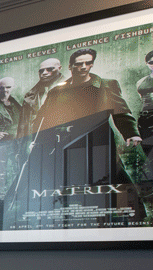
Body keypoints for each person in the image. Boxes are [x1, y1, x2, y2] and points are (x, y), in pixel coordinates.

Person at [35, 47, 150, 223]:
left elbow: (121, 112)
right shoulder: (57, 91)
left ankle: (134, 216)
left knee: (113, 177)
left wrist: (131, 133)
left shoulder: (107, 85)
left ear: (92, 64)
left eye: (88, 63)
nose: (83, 67)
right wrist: (41, 141)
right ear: (70, 66)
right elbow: (45, 120)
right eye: (79, 64)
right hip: (69, 143)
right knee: (73, 182)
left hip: (100, 140)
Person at [17, 58, 65, 140]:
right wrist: (20, 146)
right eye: (41, 71)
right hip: (35, 140)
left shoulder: (70, 88)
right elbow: (22, 127)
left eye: (49, 69)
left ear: (59, 68)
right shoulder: (30, 95)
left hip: (60, 139)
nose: (44, 73)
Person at [0, 77, 21, 144]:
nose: (5, 90)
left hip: (17, 141)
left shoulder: (18, 101)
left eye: (8, 87)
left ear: (13, 87)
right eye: (2, 88)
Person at [136, 49, 153, 144]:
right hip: (145, 120)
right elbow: (141, 99)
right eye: (151, 62)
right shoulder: (140, 82)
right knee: (147, 147)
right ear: (147, 64)